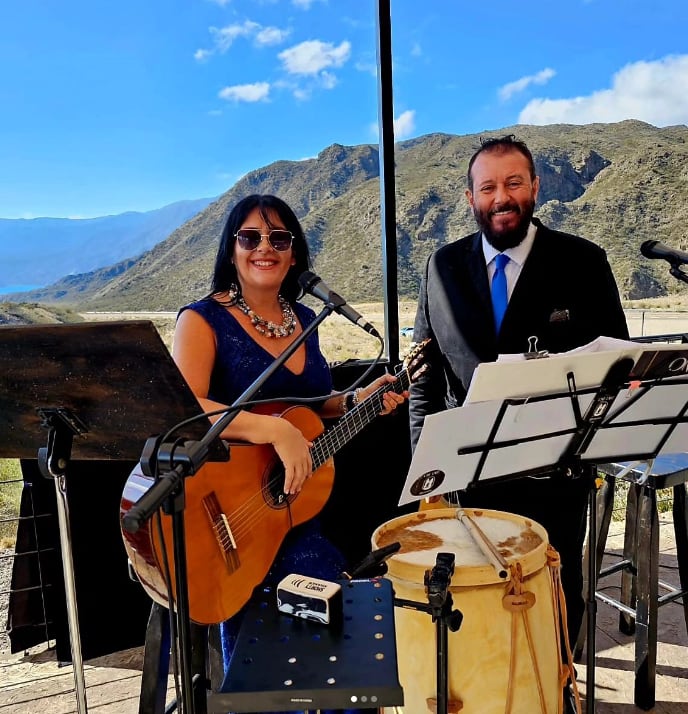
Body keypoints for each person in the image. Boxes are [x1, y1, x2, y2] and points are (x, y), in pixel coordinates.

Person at [172, 193, 405, 701]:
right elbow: (181, 410)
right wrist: (270, 431)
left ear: (295, 254)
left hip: (293, 518)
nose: (264, 248)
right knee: (278, 660)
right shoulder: (201, 320)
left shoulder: (304, 318)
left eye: (279, 238)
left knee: (338, 630)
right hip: (227, 516)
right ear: (231, 249)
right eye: (250, 237)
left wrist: (354, 400)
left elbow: (306, 406)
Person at [408, 135, 630, 652]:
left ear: (534, 187)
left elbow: (618, 369)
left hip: (556, 479)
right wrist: (425, 473)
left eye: (513, 183)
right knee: (475, 614)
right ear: (471, 198)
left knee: (553, 605)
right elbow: (424, 379)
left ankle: (557, 693)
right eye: (488, 187)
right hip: (469, 480)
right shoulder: (439, 268)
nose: (501, 197)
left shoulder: (584, 261)